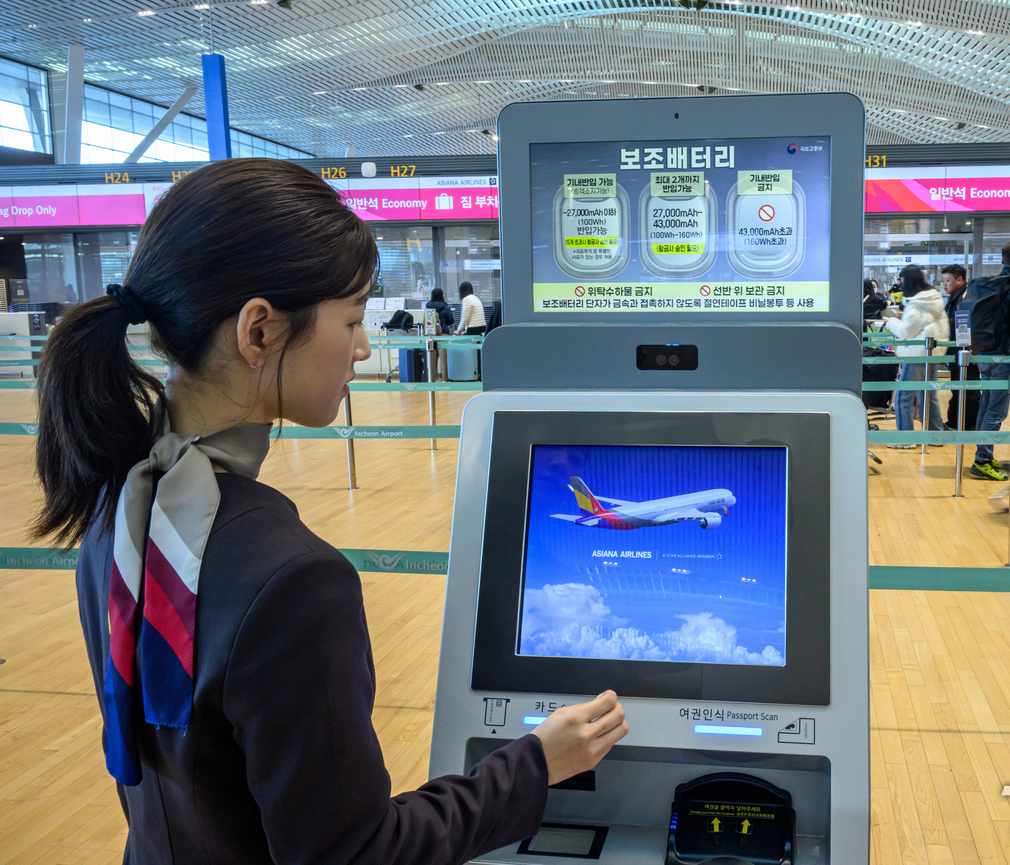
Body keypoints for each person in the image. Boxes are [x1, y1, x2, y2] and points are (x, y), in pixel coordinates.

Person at [31, 159, 627, 864]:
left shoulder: (115, 505)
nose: (366, 346)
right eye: (351, 318)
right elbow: (358, 853)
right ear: (258, 331)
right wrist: (534, 763)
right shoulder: (291, 580)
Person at [968, 242, 1010, 481]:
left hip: (984, 352)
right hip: (1004, 354)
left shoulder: (988, 285)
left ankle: (984, 453)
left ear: (1002, 260)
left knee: (986, 406)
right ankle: (982, 461)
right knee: (997, 410)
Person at [884, 265, 950, 448]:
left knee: (903, 397)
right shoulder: (931, 299)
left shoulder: (916, 304)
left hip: (917, 355)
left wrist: (892, 322)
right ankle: (936, 436)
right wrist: (904, 317)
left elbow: (906, 331)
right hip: (933, 355)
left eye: (902, 280)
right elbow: (919, 324)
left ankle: (906, 439)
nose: (900, 283)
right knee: (928, 396)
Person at [941, 264, 980, 429]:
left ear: (960, 279)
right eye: (943, 281)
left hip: (966, 350)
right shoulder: (955, 297)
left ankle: (968, 425)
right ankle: (956, 422)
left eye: (948, 280)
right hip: (957, 350)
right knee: (958, 387)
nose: (944, 284)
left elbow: (966, 323)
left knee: (968, 389)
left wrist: (972, 347)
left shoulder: (966, 297)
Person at [424, 287, 456, 380]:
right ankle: (445, 380)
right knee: (444, 360)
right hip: (443, 335)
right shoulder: (445, 307)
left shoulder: (428, 307)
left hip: (431, 335)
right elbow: (451, 321)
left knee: (432, 360)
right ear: (442, 296)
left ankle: (432, 380)